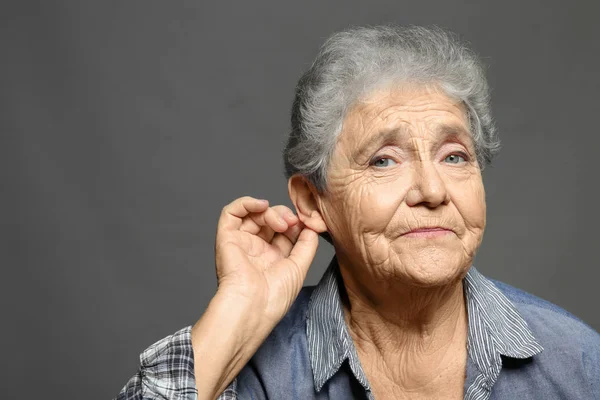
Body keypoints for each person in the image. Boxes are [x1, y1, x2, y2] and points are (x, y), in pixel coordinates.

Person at [116, 25, 600, 400]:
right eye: (383, 160)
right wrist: (238, 310)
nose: (432, 190)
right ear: (312, 201)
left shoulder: (577, 362)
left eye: (454, 156)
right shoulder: (255, 372)